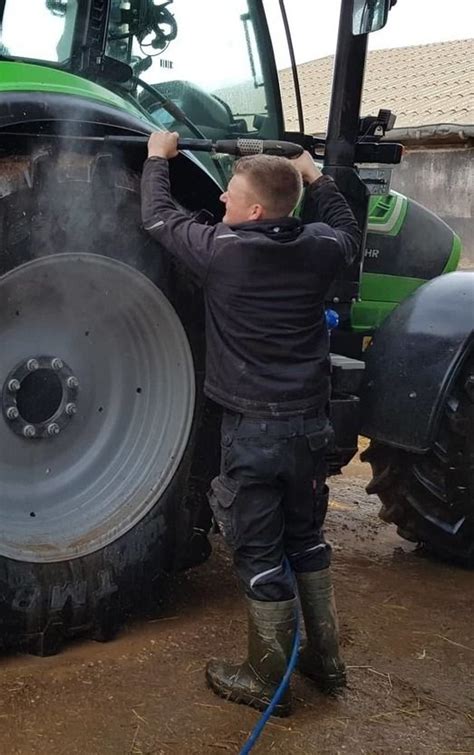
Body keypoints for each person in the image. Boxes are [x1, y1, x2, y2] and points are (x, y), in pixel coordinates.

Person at [141, 131, 361, 717]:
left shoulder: (224, 252)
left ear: (255, 211)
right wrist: (317, 176)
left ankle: (266, 679)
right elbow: (348, 230)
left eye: (231, 197)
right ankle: (327, 659)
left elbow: (158, 218)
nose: (221, 204)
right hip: (310, 429)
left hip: (254, 434)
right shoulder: (319, 248)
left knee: (260, 551)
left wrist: (157, 159)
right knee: (307, 538)